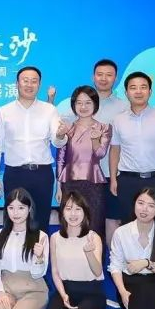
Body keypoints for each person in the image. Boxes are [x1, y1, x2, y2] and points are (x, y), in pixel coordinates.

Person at [0, 66, 68, 231]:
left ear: (39, 85)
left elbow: (58, 142)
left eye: (34, 81)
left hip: (42, 174)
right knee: (14, 222)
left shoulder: (49, 110)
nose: (29, 84)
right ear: (17, 83)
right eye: (25, 80)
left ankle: (40, 249)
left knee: (40, 221)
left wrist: (61, 135)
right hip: (14, 173)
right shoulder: (4, 111)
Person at [108, 72, 155, 223]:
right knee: (128, 224)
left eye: (143, 87)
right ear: (126, 93)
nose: (138, 91)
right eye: (133, 88)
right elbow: (115, 150)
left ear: (150, 92)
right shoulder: (118, 119)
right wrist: (113, 178)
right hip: (128, 180)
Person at [56, 85, 111, 240]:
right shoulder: (68, 128)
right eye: (79, 103)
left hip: (93, 183)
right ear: (73, 105)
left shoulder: (104, 127)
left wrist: (95, 139)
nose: (83, 107)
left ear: (95, 104)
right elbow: (60, 158)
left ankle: (96, 255)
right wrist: (58, 187)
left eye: (88, 103)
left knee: (95, 225)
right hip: (69, 183)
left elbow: (100, 154)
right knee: (70, 226)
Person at [91, 60, 130, 247]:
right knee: (90, 221)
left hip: (114, 174)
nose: (103, 78)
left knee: (113, 220)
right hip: (87, 175)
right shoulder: (82, 103)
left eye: (109, 75)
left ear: (115, 78)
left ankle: (114, 260)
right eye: (100, 74)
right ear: (93, 77)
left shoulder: (124, 107)